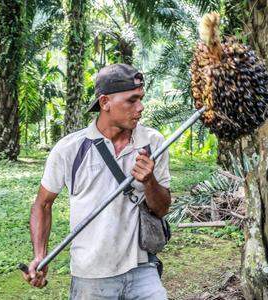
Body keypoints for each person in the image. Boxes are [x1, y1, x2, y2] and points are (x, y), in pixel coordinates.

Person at [22, 63, 171, 299]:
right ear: (105, 103)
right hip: (91, 275)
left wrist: (150, 181)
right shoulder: (70, 149)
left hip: (142, 267)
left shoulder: (152, 142)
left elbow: (162, 208)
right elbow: (42, 204)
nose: (140, 108)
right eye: (131, 101)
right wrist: (40, 256)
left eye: (141, 98)